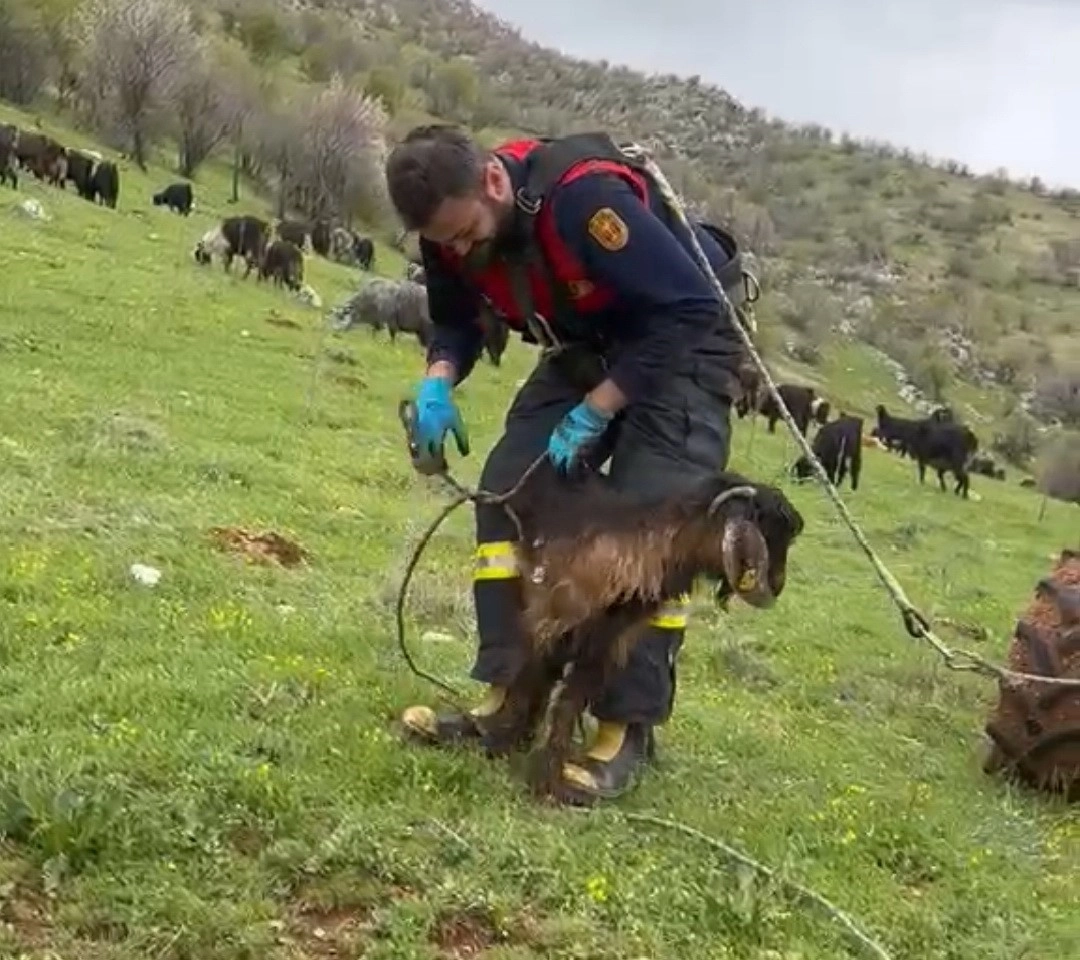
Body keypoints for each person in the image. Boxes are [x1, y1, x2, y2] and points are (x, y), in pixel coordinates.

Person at [384, 124, 752, 805]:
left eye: (466, 234)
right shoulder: (446, 225)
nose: (459, 250)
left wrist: (598, 408)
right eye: (445, 243)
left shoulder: (586, 202)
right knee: (508, 492)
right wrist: (437, 381)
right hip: (587, 341)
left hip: (684, 346)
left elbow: (690, 310)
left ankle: (623, 729)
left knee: (652, 531)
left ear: (494, 180)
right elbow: (458, 319)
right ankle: (510, 700)